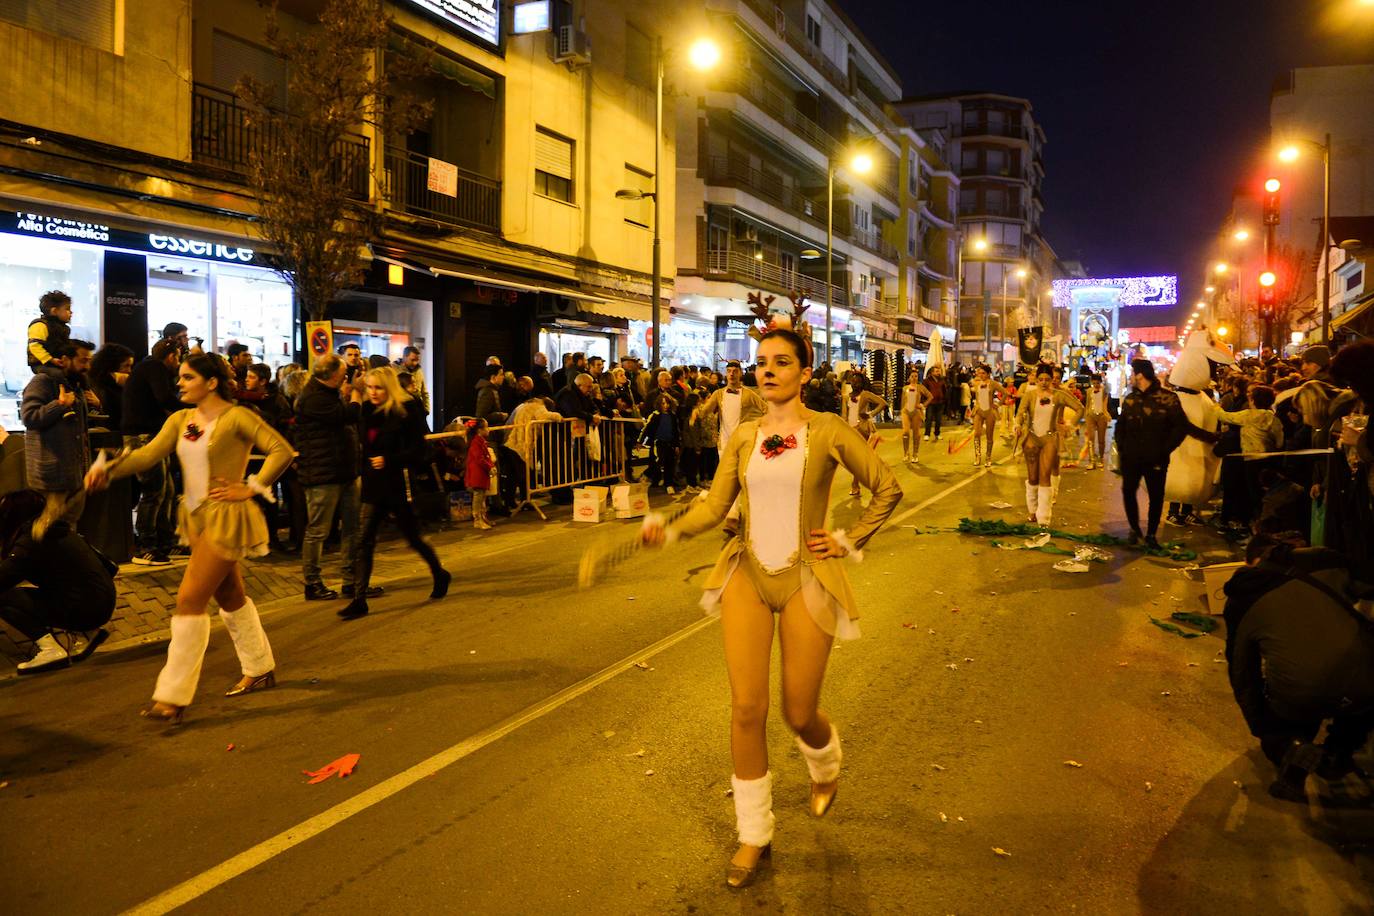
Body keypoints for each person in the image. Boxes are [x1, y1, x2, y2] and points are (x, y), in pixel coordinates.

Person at [642, 328, 902, 889]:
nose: (767, 370)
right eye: (761, 362)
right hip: (747, 573)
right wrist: (668, 529)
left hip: (807, 576)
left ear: (805, 373)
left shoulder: (829, 430)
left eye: (782, 362)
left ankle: (825, 765)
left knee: (797, 711)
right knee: (745, 709)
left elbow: (887, 488)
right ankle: (753, 833)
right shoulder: (743, 436)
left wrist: (848, 538)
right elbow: (715, 508)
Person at [84, 353, 295, 724]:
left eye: (186, 377)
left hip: (227, 518)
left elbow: (282, 451)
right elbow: (147, 455)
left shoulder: (239, 417)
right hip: (196, 518)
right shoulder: (180, 419)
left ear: (210, 382)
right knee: (229, 595)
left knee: (189, 599)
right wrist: (108, 469)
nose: (178, 383)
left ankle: (172, 695)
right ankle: (260, 667)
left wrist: (252, 487)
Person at [1223, 539, 1374, 800]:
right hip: (1365, 671)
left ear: (1251, 562)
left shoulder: (1241, 599)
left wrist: (1265, 729)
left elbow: (1243, 675)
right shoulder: (1322, 559)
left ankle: (1292, 752)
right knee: (1361, 696)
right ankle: (1337, 755)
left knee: (1297, 707)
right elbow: (1367, 583)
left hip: (1304, 687)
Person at [339, 367, 450, 621]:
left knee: (413, 538)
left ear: (389, 388)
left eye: (378, 387)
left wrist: (389, 459)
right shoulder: (367, 411)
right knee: (364, 540)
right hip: (373, 485)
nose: (373, 392)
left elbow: (420, 450)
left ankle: (439, 573)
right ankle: (359, 599)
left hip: (398, 485)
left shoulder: (406, 411)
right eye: (369, 387)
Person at [0, 489, 116, 674]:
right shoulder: (61, 530)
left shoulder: (31, 540)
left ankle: (50, 649)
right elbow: (111, 567)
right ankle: (87, 634)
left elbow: (4, 578)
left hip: (86, 609)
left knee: (4, 597)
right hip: (104, 603)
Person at [1114, 358, 1216, 548]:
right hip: (1132, 457)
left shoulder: (1168, 398)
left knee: (1156, 496)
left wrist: (1164, 449)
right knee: (1128, 492)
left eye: (1132, 373)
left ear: (1140, 375)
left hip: (1156, 458)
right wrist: (1122, 448)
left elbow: (1181, 427)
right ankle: (1135, 530)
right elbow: (1121, 425)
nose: (1130, 377)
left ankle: (1151, 534)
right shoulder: (1131, 398)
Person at [294, 354, 368, 602]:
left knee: (352, 528)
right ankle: (312, 583)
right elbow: (348, 416)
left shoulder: (329, 393)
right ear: (331, 374)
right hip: (323, 475)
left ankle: (352, 581)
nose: (347, 375)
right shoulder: (313, 398)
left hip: (345, 471)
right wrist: (357, 393)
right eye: (344, 372)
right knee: (318, 531)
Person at [122, 339, 184, 564]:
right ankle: (145, 546)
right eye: (177, 357)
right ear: (170, 356)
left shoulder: (148, 368)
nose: (178, 363)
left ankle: (165, 543)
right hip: (142, 437)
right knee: (154, 490)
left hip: (152, 435)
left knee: (166, 490)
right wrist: (191, 408)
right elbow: (164, 398)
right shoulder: (154, 367)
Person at [21, 340, 95, 524]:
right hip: (52, 478)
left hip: (75, 475)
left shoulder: (76, 385)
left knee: (68, 530)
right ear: (64, 359)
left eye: (89, 361)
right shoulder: (43, 381)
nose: (87, 366)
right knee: (48, 531)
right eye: (83, 360)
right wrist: (59, 404)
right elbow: (29, 417)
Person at [1014, 365, 1080, 527]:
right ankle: (1032, 511)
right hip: (1031, 439)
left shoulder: (1059, 395)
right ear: (1036, 380)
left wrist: (1069, 424)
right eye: (1041, 379)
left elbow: (1080, 408)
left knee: (1045, 476)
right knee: (1032, 477)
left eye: (1047, 379)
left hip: (1049, 439)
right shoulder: (1029, 395)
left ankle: (1044, 517)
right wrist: (1017, 424)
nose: (1044, 382)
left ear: (1052, 380)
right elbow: (1020, 413)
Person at [87, 342, 134, 432]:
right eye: (126, 366)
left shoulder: (117, 385)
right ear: (112, 365)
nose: (129, 371)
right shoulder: (99, 387)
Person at [639, 393, 680, 493]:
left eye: (667, 403)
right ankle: (646, 475)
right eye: (663, 403)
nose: (665, 406)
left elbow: (676, 431)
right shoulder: (655, 415)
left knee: (669, 464)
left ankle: (669, 484)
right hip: (658, 443)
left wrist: (676, 445)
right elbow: (646, 429)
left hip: (669, 443)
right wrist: (640, 441)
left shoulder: (672, 416)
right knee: (657, 461)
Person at [968, 365, 1007, 469]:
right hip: (978, 411)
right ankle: (977, 457)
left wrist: (998, 404)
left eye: (983, 373)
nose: (981, 375)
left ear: (988, 373)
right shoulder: (977, 383)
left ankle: (988, 458)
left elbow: (1004, 393)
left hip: (989, 411)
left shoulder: (993, 383)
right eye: (979, 373)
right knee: (976, 434)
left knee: (989, 436)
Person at [27, 290, 73, 373]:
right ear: (54, 311)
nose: (71, 312)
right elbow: (35, 346)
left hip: (56, 361)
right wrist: (50, 359)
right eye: (67, 309)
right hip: (41, 363)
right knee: (58, 374)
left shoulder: (63, 328)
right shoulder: (40, 325)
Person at [465, 417, 495, 530]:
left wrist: (491, 466)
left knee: (482, 497)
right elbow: (479, 458)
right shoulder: (475, 443)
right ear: (479, 430)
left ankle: (483, 517)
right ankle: (477, 519)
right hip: (477, 473)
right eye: (486, 427)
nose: (488, 429)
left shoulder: (480, 441)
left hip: (481, 472)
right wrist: (489, 467)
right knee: (478, 497)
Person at [899, 369, 932, 465]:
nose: (914, 378)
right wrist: (901, 411)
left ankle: (915, 454)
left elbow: (930, 396)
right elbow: (902, 401)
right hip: (906, 412)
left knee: (916, 434)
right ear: (909, 378)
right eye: (912, 376)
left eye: (916, 376)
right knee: (905, 432)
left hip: (916, 412)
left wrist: (923, 405)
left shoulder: (920, 387)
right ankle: (906, 453)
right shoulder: (905, 388)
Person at [1081, 374, 1112, 470]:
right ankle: (1092, 460)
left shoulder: (1104, 391)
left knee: (1101, 439)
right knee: (1091, 438)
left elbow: (1109, 387)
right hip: (1091, 415)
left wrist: (1105, 378)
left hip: (1102, 416)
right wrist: (1086, 414)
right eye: (1094, 383)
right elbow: (1087, 404)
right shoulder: (1089, 391)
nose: (1096, 385)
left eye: (1097, 383)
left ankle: (1101, 459)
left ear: (1100, 382)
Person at [394, 346, 430, 414]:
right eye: (413, 360)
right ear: (404, 357)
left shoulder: (419, 370)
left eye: (417, 360)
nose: (415, 363)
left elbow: (424, 392)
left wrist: (426, 410)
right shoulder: (394, 370)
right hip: (402, 410)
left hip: (418, 409)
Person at [923, 367, 946, 441]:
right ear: (932, 372)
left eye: (939, 371)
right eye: (936, 371)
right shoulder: (927, 381)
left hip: (940, 402)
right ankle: (927, 434)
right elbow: (924, 391)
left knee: (938, 420)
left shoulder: (941, 380)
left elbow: (944, 390)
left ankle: (937, 433)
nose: (938, 373)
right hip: (931, 403)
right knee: (929, 419)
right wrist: (924, 402)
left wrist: (944, 399)